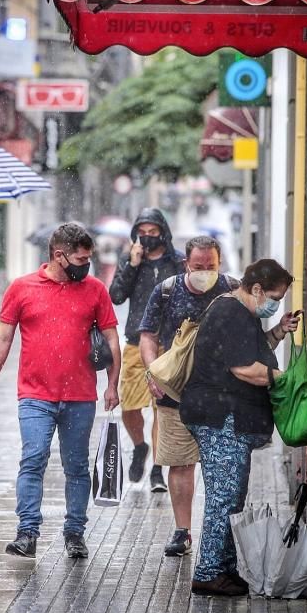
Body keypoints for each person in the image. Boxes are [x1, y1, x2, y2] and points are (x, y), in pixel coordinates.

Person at [0, 222, 121, 560]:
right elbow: (2, 337)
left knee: (76, 466)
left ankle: (75, 532)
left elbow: (113, 339)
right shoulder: (22, 288)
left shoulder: (95, 290)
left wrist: (113, 385)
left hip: (80, 396)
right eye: (81, 258)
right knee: (33, 459)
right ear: (59, 255)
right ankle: (27, 532)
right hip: (35, 395)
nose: (87, 265)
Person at [179, 259, 301, 596]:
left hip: (226, 416)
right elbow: (244, 368)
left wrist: (277, 333)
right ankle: (207, 573)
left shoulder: (240, 313)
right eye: (275, 297)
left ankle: (226, 568)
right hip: (220, 417)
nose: (275, 305)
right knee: (223, 496)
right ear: (257, 289)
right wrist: (287, 379)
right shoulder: (232, 313)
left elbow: (253, 351)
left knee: (233, 495)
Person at [138, 236, 242, 557]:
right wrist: (152, 371)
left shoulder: (233, 289)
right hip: (175, 395)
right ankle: (183, 532)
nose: (205, 272)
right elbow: (148, 335)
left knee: (222, 466)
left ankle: (220, 531)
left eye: (210, 266)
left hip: (222, 396)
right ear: (187, 263)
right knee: (180, 464)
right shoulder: (167, 290)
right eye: (198, 267)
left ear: (219, 263)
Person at [109, 208, 184, 490]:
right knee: (130, 405)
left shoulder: (176, 261)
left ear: (163, 232)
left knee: (161, 406)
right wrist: (132, 263)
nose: (149, 237)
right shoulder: (131, 260)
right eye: (144, 233)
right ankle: (140, 446)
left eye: (154, 232)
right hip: (135, 342)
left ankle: (156, 467)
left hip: (168, 344)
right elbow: (116, 296)